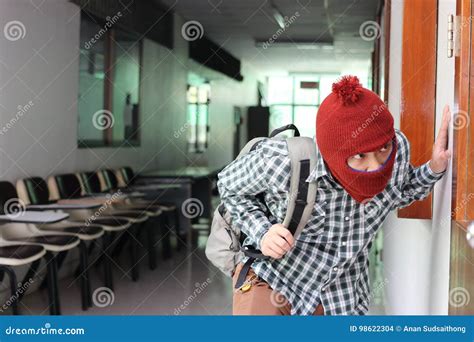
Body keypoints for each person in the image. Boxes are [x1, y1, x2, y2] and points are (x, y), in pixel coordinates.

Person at [217, 75, 451, 315]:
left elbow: (399, 191)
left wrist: (434, 167)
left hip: (341, 296)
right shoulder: (281, 162)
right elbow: (228, 186)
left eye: (382, 149)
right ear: (333, 153)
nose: (376, 166)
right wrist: (263, 232)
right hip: (274, 278)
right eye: (360, 156)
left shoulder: (397, 150)